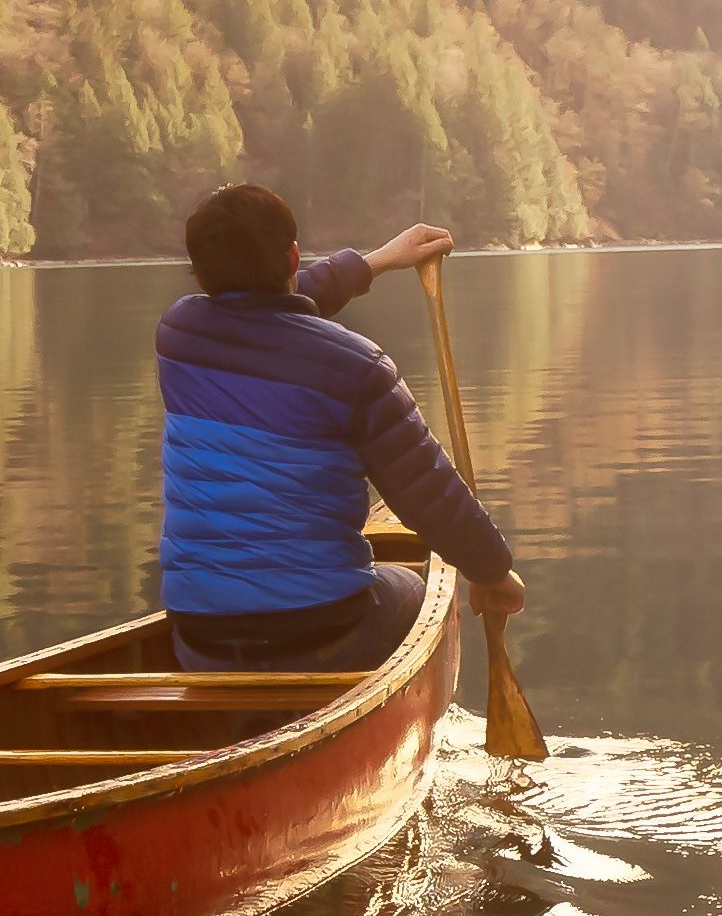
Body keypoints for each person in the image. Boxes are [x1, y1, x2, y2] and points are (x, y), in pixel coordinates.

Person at [155, 181, 524, 673]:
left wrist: (380, 260)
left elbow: (272, 310)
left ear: (199, 273)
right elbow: (429, 496)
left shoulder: (179, 336)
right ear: (292, 258)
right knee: (418, 594)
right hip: (320, 625)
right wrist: (493, 572)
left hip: (199, 631)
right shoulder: (358, 366)